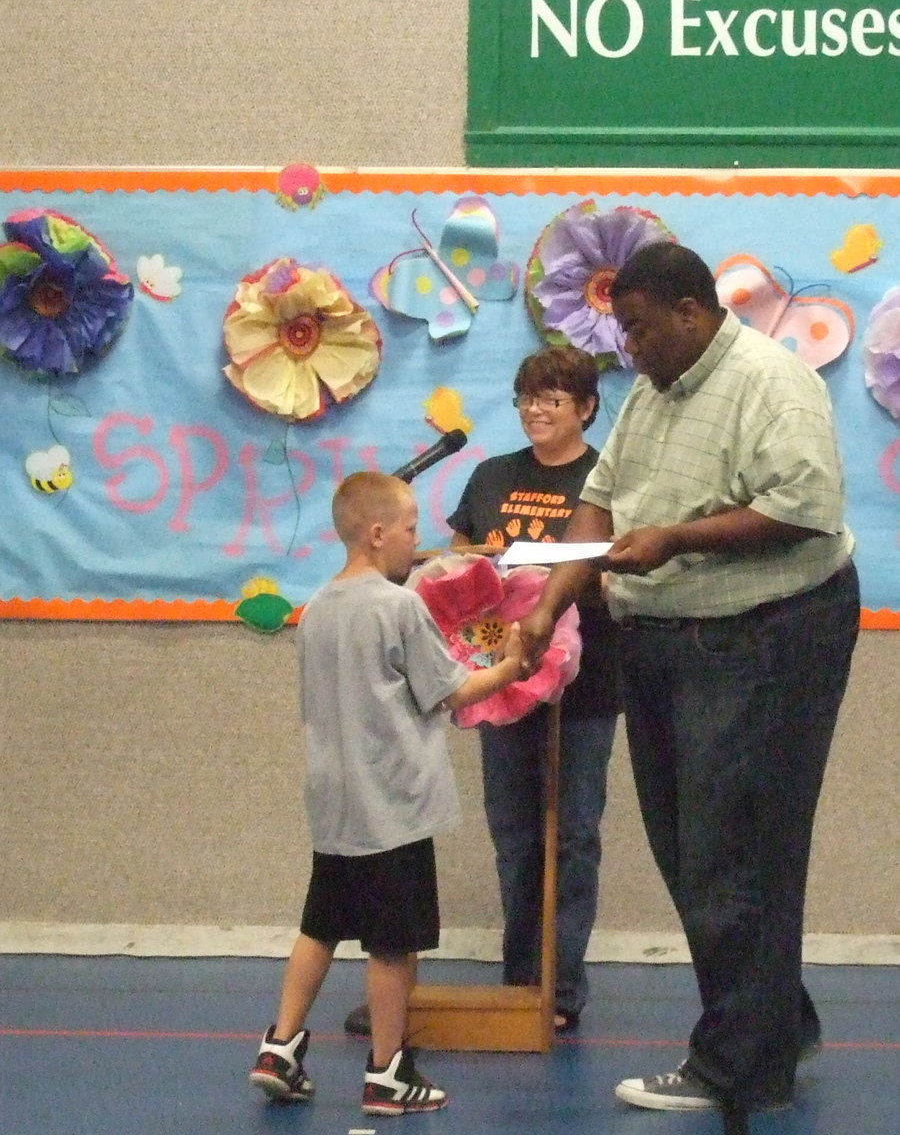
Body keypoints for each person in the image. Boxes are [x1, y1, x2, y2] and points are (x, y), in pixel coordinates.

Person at [519, 242, 860, 1115]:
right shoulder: (653, 392)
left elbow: (800, 508)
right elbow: (599, 497)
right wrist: (557, 596)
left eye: (635, 327)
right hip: (668, 640)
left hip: (766, 636)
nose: (627, 347)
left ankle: (740, 1067)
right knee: (690, 849)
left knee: (732, 854)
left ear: (689, 310)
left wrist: (673, 538)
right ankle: (773, 1020)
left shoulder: (772, 382)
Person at [344, 345, 620, 1040]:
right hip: (499, 678)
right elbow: (452, 572)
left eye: (553, 399)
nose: (536, 410)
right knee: (515, 833)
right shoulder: (493, 476)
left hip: (585, 684)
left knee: (575, 833)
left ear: (586, 407)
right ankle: (520, 979)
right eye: (528, 398)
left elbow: (616, 568)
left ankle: (561, 985)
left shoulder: (607, 477)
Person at [249, 471, 524, 1115]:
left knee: (320, 926)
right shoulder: (399, 607)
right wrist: (511, 666)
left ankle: (279, 1047)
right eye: (408, 529)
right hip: (392, 807)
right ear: (376, 534)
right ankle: (387, 1072)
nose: (415, 541)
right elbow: (451, 692)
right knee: (392, 944)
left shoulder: (316, 609)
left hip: (334, 804)